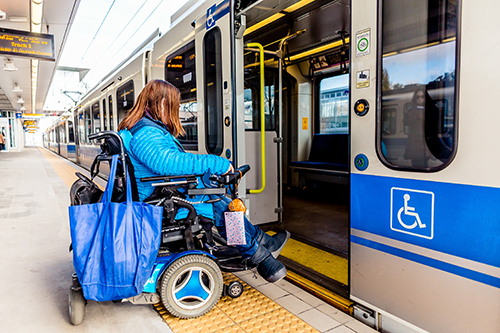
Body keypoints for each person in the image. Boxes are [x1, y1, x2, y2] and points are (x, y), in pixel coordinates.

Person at [118, 79, 290, 283]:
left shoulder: (145, 128)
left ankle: (264, 242)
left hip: (163, 192)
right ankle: (259, 257)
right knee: (222, 207)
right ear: (163, 103)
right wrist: (215, 163)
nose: (177, 111)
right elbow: (166, 162)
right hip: (161, 202)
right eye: (175, 106)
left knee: (221, 200)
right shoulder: (146, 132)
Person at [403, 88, 433, 168]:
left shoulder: (429, 110)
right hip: (415, 143)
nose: (420, 99)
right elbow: (406, 122)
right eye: (417, 97)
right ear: (415, 98)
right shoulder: (411, 111)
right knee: (416, 166)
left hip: (425, 143)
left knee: (424, 166)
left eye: (422, 97)